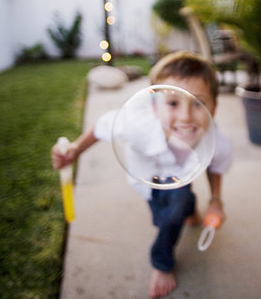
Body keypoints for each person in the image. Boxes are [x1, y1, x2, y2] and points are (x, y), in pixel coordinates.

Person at [51, 51, 232, 298]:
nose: (185, 116)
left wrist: (216, 201)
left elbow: (215, 165)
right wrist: (74, 150)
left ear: (215, 107)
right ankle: (188, 207)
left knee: (173, 212)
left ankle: (161, 261)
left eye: (198, 103)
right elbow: (103, 125)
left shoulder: (217, 141)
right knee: (166, 214)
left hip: (181, 176)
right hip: (147, 179)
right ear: (154, 107)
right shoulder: (137, 127)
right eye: (172, 103)